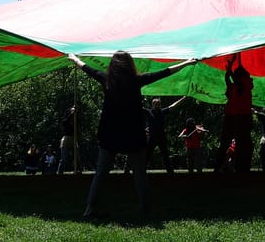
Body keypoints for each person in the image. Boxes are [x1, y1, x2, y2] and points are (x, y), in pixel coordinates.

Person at [69, 51, 197, 218]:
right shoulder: (136, 80)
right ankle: (145, 209)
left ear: (113, 66)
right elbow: (165, 72)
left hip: (110, 133)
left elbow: (85, 67)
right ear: (130, 65)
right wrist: (186, 62)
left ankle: (90, 208)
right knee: (139, 174)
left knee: (100, 173)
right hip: (133, 133)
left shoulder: (106, 79)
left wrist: (73, 58)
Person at [214, 55, 255, 173]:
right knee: (239, 143)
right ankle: (227, 167)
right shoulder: (239, 85)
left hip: (238, 116)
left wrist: (230, 69)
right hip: (239, 116)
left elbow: (231, 80)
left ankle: (238, 168)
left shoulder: (244, 84)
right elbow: (228, 79)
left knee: (238, 143)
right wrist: (229, 69)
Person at [146, 96, 186, 174]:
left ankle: (170, 171)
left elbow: (173, 106)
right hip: (152, 138)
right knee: (147, 155)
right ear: (152, 105)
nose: (157, 106)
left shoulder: (162, 111)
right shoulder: (148, 112)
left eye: (158, 104)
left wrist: (183, 98)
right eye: (156, 104)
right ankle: (142, 170)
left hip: (161, 137)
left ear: (160, 105)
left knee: (165, 155)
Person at [57, 106, 76, 175]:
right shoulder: (66, 121)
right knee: (64, 159)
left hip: (74, 139)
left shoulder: (75, 121)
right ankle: (60, 173)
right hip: (66, 139)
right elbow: (65, 123)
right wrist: (71, 113)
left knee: (76, 157)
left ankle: (77, 171)